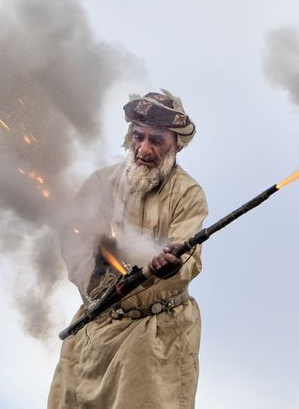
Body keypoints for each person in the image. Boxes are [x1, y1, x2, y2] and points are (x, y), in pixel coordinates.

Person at [48, 89, 208, 409]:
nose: (144, 149)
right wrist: (98, 272)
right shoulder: (101, 183)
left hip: (154, 336)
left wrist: (169, 266)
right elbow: (72, 241)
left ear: (176, 144)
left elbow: (188, 258)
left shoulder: (189, 195)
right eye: (139, 136)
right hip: (95, 328)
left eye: (156, 140)